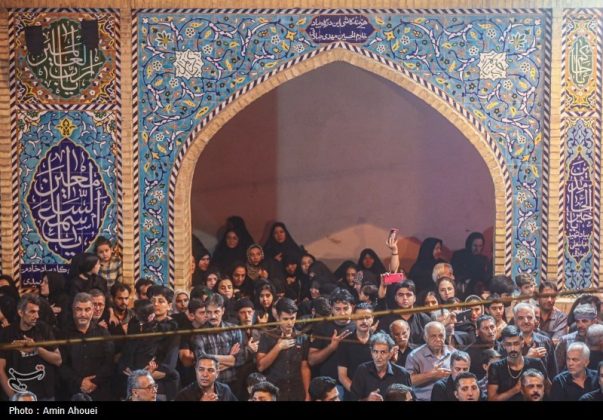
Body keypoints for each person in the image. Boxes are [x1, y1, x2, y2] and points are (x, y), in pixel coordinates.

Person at [0, 294, 61, 400]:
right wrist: (14, 397)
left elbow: (58, 360)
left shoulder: (43, 329)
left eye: (37, 312)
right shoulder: (7, 333)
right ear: (20, 312)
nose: (37, 316)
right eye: (32, 312)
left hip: (44, 396)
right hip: (18, 393)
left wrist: (36, 349)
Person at [59, 292, 114, 401]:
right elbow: (61, 365)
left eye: (87, 310)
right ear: (73, 310)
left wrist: (94, 382)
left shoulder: (103, 333)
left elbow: (109, 363)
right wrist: (80, 382)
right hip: (71, 392)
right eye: (79, 309)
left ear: (93, 310)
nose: (83, 314)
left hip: (100, 392)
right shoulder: (63, 335)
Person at [257, 298, 311, 401]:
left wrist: (307, 393)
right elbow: (260, 366)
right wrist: (278, 347)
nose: (290, 323)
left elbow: (304, 368)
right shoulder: (267, 336)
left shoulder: (302, 337)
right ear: (277, 317)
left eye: (292, 318)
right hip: (275, 391)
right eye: (285, 319)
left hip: (297, 391)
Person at [487, 325, 548, 401]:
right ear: (503, 345)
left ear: (522, 343)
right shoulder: (496, 367)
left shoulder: (536, 363)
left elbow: (548, 390)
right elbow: (491, 399)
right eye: (509, 344)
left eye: (516, 344)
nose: (513, 348)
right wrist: (515, 389)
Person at [350, 332, 413, 401]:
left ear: (390, 353)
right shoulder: (362, 370)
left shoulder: (402, 373)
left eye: (383, 352)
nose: (378, 357)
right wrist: (367, 400)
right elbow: (351, 399)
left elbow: (410, 398)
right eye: (375, 352)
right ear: (371, 353)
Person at [405, 321, 453, 401]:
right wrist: (432, 374)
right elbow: (408, 381)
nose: (438, 339)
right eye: (433, 336)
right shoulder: (414, 356)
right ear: (425, 338)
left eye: (441, 336)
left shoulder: (453, 353)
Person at [337, 303, 374, 400]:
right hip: (353, 394)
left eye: (367, 318)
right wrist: (358, 394)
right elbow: (342, 376)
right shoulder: (345, 342)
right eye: (360, 318)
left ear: (372, 318)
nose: (364, 321)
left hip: (376, 392)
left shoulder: (379, 340)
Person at [555, 304, 598, 371]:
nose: (580, 325)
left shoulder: (600, 340)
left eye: (584, 321)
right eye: (577, 321)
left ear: (594, 321)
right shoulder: (565, 340)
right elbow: (556, 368)